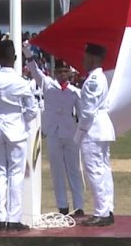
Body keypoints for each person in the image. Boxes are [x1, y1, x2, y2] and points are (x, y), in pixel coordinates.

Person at [0, 40, 39, 232]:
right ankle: (14, 219)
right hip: (16, 127)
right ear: (15, 58)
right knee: (15, 174)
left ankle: (0, 219)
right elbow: (32, 110)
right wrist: (22, 118)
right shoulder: (22, 83)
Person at [24, 45, 85, 217]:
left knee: (74, 170)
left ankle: (79, 205)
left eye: (64, 72)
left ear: (69, 74)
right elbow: (35, 71)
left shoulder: (75, 92)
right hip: (53, 132)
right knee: (57, 171)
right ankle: (62, 206)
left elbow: (81, 115)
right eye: (59, 72)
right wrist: (28, 54)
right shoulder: (48, 85)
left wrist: (81, 134)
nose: (61, 75)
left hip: (70, 133)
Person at [76, 43, 116, 227]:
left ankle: (101, 212)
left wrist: (80, 133)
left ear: (92, 58)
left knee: (95, 171)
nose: (83, 61)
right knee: (103, 170)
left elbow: (87, 113)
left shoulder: (93, 80)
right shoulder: (100, 77)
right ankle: (107, 209)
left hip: (93, 129)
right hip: (101, 128)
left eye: (85, 57)